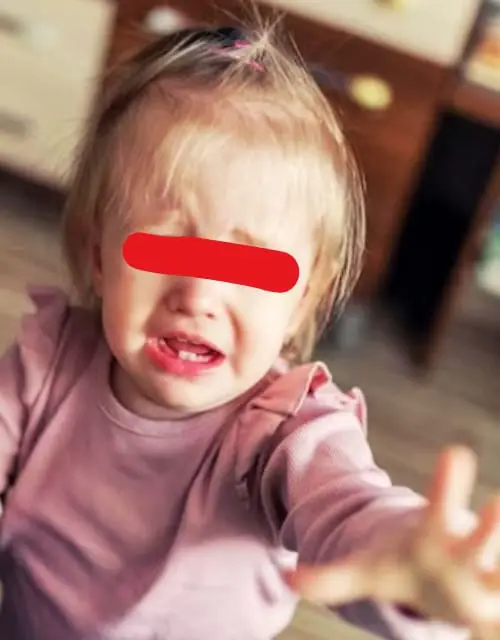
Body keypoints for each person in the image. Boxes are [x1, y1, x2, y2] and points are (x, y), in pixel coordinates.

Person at [0, 22, 498, 640]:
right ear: (98, 255)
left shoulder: (287, 432)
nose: (198, 296)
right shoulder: (44, 366)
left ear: (302, 300)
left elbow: (348, 508)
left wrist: (403, 553)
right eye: (164, 249)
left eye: (251, 266)